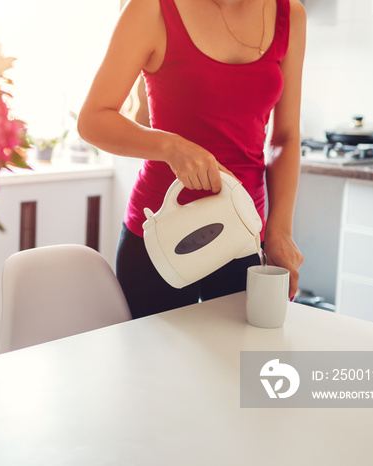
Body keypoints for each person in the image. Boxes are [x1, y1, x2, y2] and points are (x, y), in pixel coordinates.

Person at [77, 0, 306, 319]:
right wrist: (170, 146)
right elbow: (93, 120)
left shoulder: (290, 14)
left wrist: (280, 231)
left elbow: (285, 138)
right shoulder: (151, 9)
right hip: (162, 238)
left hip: (246, 235)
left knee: (234, 365)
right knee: (155, 367)